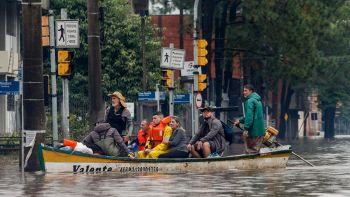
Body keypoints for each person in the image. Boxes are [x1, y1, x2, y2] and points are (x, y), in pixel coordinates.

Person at [234, 84, 265, 154]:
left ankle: (249, 164)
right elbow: (252, 116)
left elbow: (249, 116)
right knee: (255, 151)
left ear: (251, 91)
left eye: (246, 91)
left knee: (250, 151)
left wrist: (246, 129)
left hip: (253, 132)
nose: (244, 92)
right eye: (243, 91)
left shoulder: (250, 101)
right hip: (260, 131)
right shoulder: (258, 100)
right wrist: (240, 120)